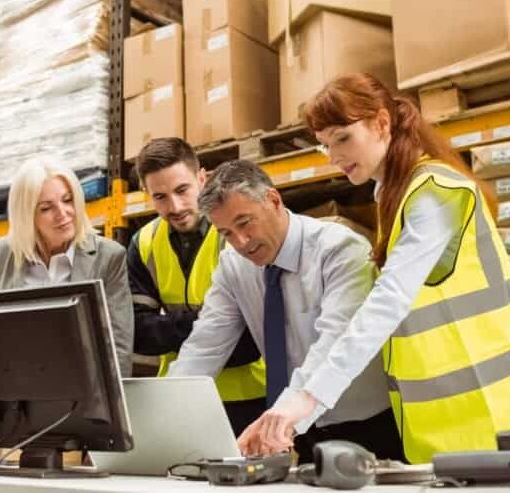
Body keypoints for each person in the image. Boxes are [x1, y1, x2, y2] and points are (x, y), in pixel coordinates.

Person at [246, 72, 510, 463]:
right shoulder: (393, 194)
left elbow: (387, 303)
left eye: (342, 138)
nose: (334, 155)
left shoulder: (434, 194)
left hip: (490, 417)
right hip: (442, 423)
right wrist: (291, 409)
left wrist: (306, 403)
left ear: (382, 123)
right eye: (324, 145)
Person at [168, 159, 403, 463]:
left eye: (244, 223)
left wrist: (284, 415)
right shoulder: (233, 265)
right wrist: (166, 414)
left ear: (274, 200)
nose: (240, 242)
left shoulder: (340, 250)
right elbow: (205, 345)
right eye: (226, 233)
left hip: (365, 423)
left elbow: (334, 344)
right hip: (297, 428)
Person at [127, 139, 266, 435]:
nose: (174, 207)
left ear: (202, 178)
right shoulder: (144, 244)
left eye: (182, 190)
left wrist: (168, 329)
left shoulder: (235, 234)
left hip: (250, 397)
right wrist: (214, 325)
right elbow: (138, 334)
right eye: (160, 197)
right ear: (146, 194)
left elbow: (249, 340)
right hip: (182, 395)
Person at [0, 157, 134, 377]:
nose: (63, 213)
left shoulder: (109, 256)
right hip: (17, 390)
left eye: (67, 200)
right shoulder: (4, 252)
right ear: (27, 216)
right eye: (46, 208)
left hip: (84, 391)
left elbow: (118, 347)